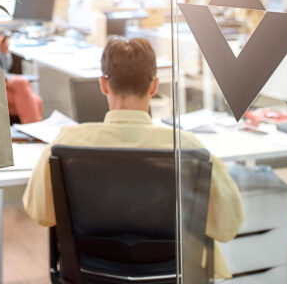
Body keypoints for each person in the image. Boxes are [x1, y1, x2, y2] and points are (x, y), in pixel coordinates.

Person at [22, 37, 244, 279]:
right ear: (154, 86)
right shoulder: (186, 147)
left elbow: (39, 211)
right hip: (171, 274)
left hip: (90, 270)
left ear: (103, 85)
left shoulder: (67, 142)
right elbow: (228, 225)